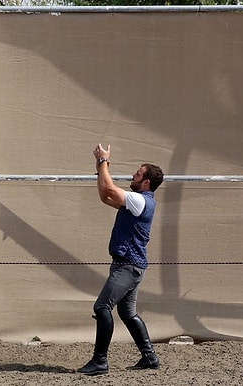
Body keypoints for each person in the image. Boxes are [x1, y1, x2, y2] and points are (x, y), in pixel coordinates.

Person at [78, 144, 164, 376]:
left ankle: (100, 361)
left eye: (137, 174)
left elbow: (109, 187)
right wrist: (100, 169)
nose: (132, 176)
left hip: (128, 266)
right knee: (127, 313)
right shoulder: (137, 202)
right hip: (130, 265)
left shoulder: (139, 200)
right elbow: (105, 196)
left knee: (102, 307)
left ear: (146, 182)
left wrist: (102, 161)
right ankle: (149, 357)